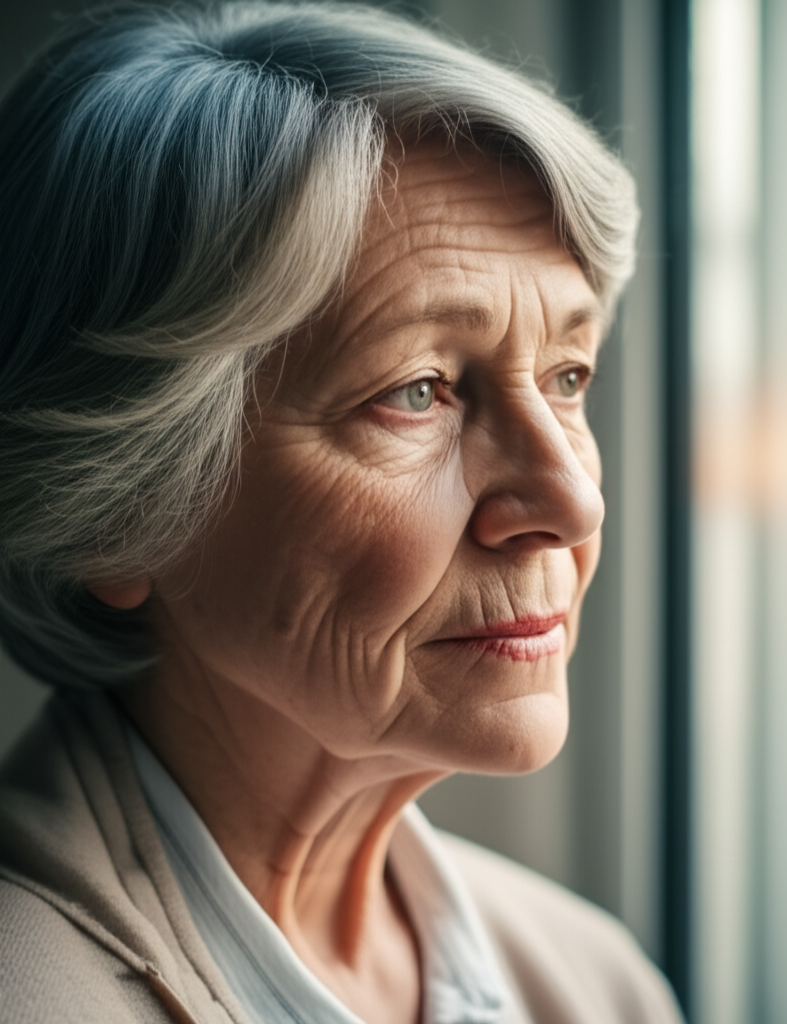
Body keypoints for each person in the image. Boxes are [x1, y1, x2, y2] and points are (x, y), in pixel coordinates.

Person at [0, 3, 682, 1022]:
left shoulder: (594, 983)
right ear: (119, 508)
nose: (570, 500)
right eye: (416, 390)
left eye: (568, 372)